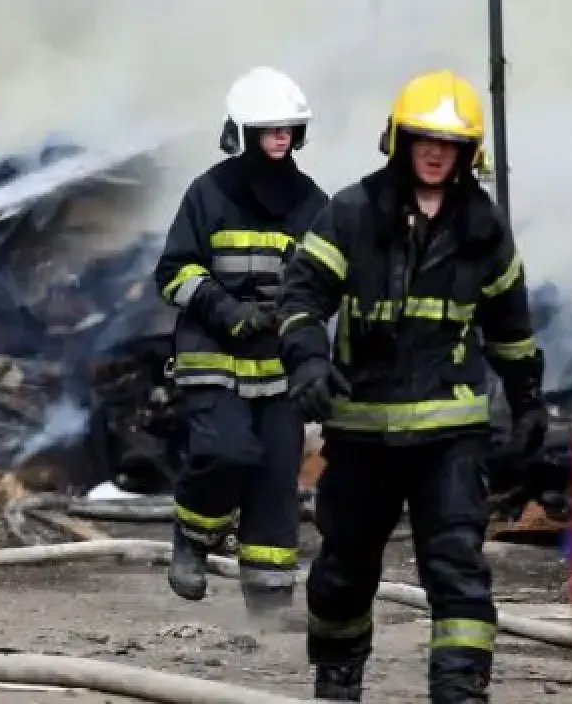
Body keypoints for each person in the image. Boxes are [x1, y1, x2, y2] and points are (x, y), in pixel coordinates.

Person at [276, 69, 549, 702]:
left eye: (448, 144)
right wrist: (309, 362)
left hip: (450, 439)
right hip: (362, 433)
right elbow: (302, 297)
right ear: (399, 140)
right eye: (425, 139)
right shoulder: (353, 211)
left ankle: (459, 693)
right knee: (342, 576)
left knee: (458, 572)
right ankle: (337, 682)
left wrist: (529, 404)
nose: (435, 153)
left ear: (467, 153)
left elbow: (511, 330)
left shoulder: (484, 229)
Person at [153, 66, 328, 617]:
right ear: (244, 132)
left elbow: (325, 283)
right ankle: (192, 536)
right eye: (269, 128)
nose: (280, 136)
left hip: (278, 363)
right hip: (213, 354)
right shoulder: (208, 193)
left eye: (287, 128)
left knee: (276, 481)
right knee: (226, 452)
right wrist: (225, 309)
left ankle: (269, 607)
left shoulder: (312, 203)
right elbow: (173, 273)